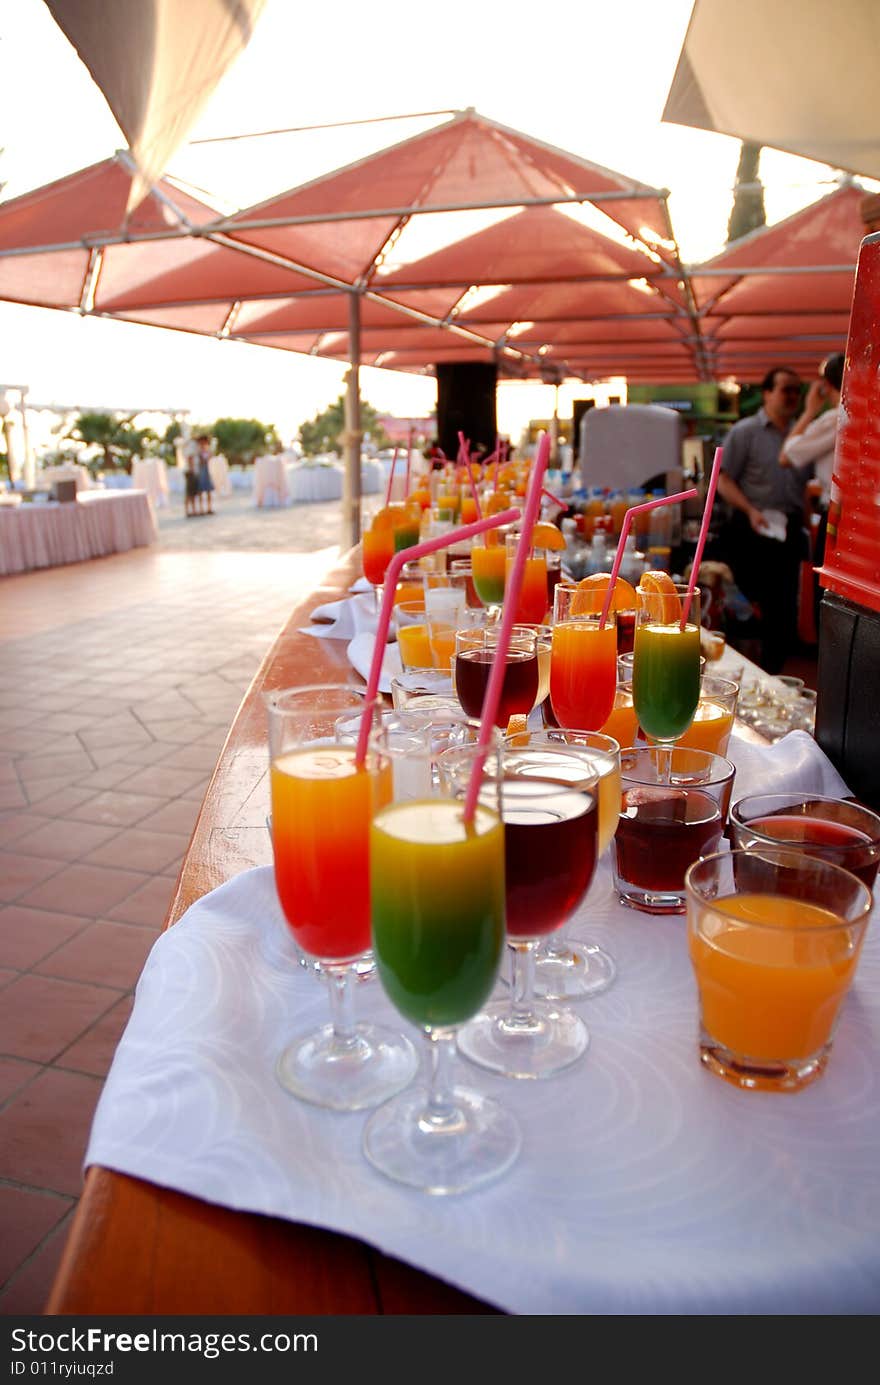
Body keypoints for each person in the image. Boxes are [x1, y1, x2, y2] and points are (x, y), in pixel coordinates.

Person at [716, 367, 808, 673]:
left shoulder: (801, 434)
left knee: (785, 606)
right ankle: (750, 671)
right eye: (786, 389)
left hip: (789, 528)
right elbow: (723, 479)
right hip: (751, 527)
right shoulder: (745, 432)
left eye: (797, 390)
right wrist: (750, 510)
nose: (793, 396)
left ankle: (775, 673)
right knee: (755, 603)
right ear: (767, 393)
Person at [780, 351, 844, 627]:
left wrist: (808, 411)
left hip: (835, 515)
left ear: (825, 385)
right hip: (846, 515)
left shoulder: (835, 418)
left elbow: (787, 455)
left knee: (826, 596)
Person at [194, 433, 215, 515]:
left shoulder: (208, 450)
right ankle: (201, 508)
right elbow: (200, 461)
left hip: (207, 471)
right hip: (201, 471)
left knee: (208, 490)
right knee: (200, 491)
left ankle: (209, 508)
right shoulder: (198, 450)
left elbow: (210, 459)